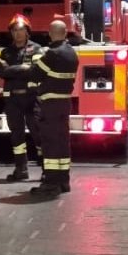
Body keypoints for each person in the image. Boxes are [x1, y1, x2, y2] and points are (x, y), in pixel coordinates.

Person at [28, 19, 79, 198]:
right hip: (65, 103)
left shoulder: (52, 54)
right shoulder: (72, 53)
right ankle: (63, 181)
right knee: (62, 142)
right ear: (65, 33)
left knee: (50, 143)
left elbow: (35, 74)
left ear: (50, 34)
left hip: (50, 104)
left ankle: (50, 183)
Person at [0, 14, 44, 182]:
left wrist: (12, 70)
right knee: (17, 136)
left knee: (38, 134)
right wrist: (22, 68)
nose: (18, 33)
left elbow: (35, 70)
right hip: (13, 100)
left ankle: (46, 169)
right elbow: (1, 72)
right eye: (15, 30)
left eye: (21, 29)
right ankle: (21, 169)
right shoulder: (6, 52)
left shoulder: (37, 49)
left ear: (27, 31)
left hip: (32, 99)